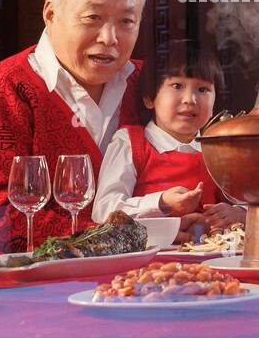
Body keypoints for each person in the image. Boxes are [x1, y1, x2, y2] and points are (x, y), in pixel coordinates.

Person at [0, 0, 148, 255]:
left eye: (126, 21)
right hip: (31, 288)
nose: (109, 38)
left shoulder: (152, 87)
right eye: (93, 18)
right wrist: (118, 237)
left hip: (139, 285)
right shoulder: (4, 89)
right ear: (50, 13)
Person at [92, 42, 244, 241]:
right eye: (177, 86)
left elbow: (248, 201)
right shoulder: (131, 143)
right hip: (148, 260)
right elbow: (104, 210)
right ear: (149, 98)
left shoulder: (218, 149)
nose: (190, 99)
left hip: (211, 258)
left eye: (203, 89)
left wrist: (239, 213)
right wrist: (161, 203)